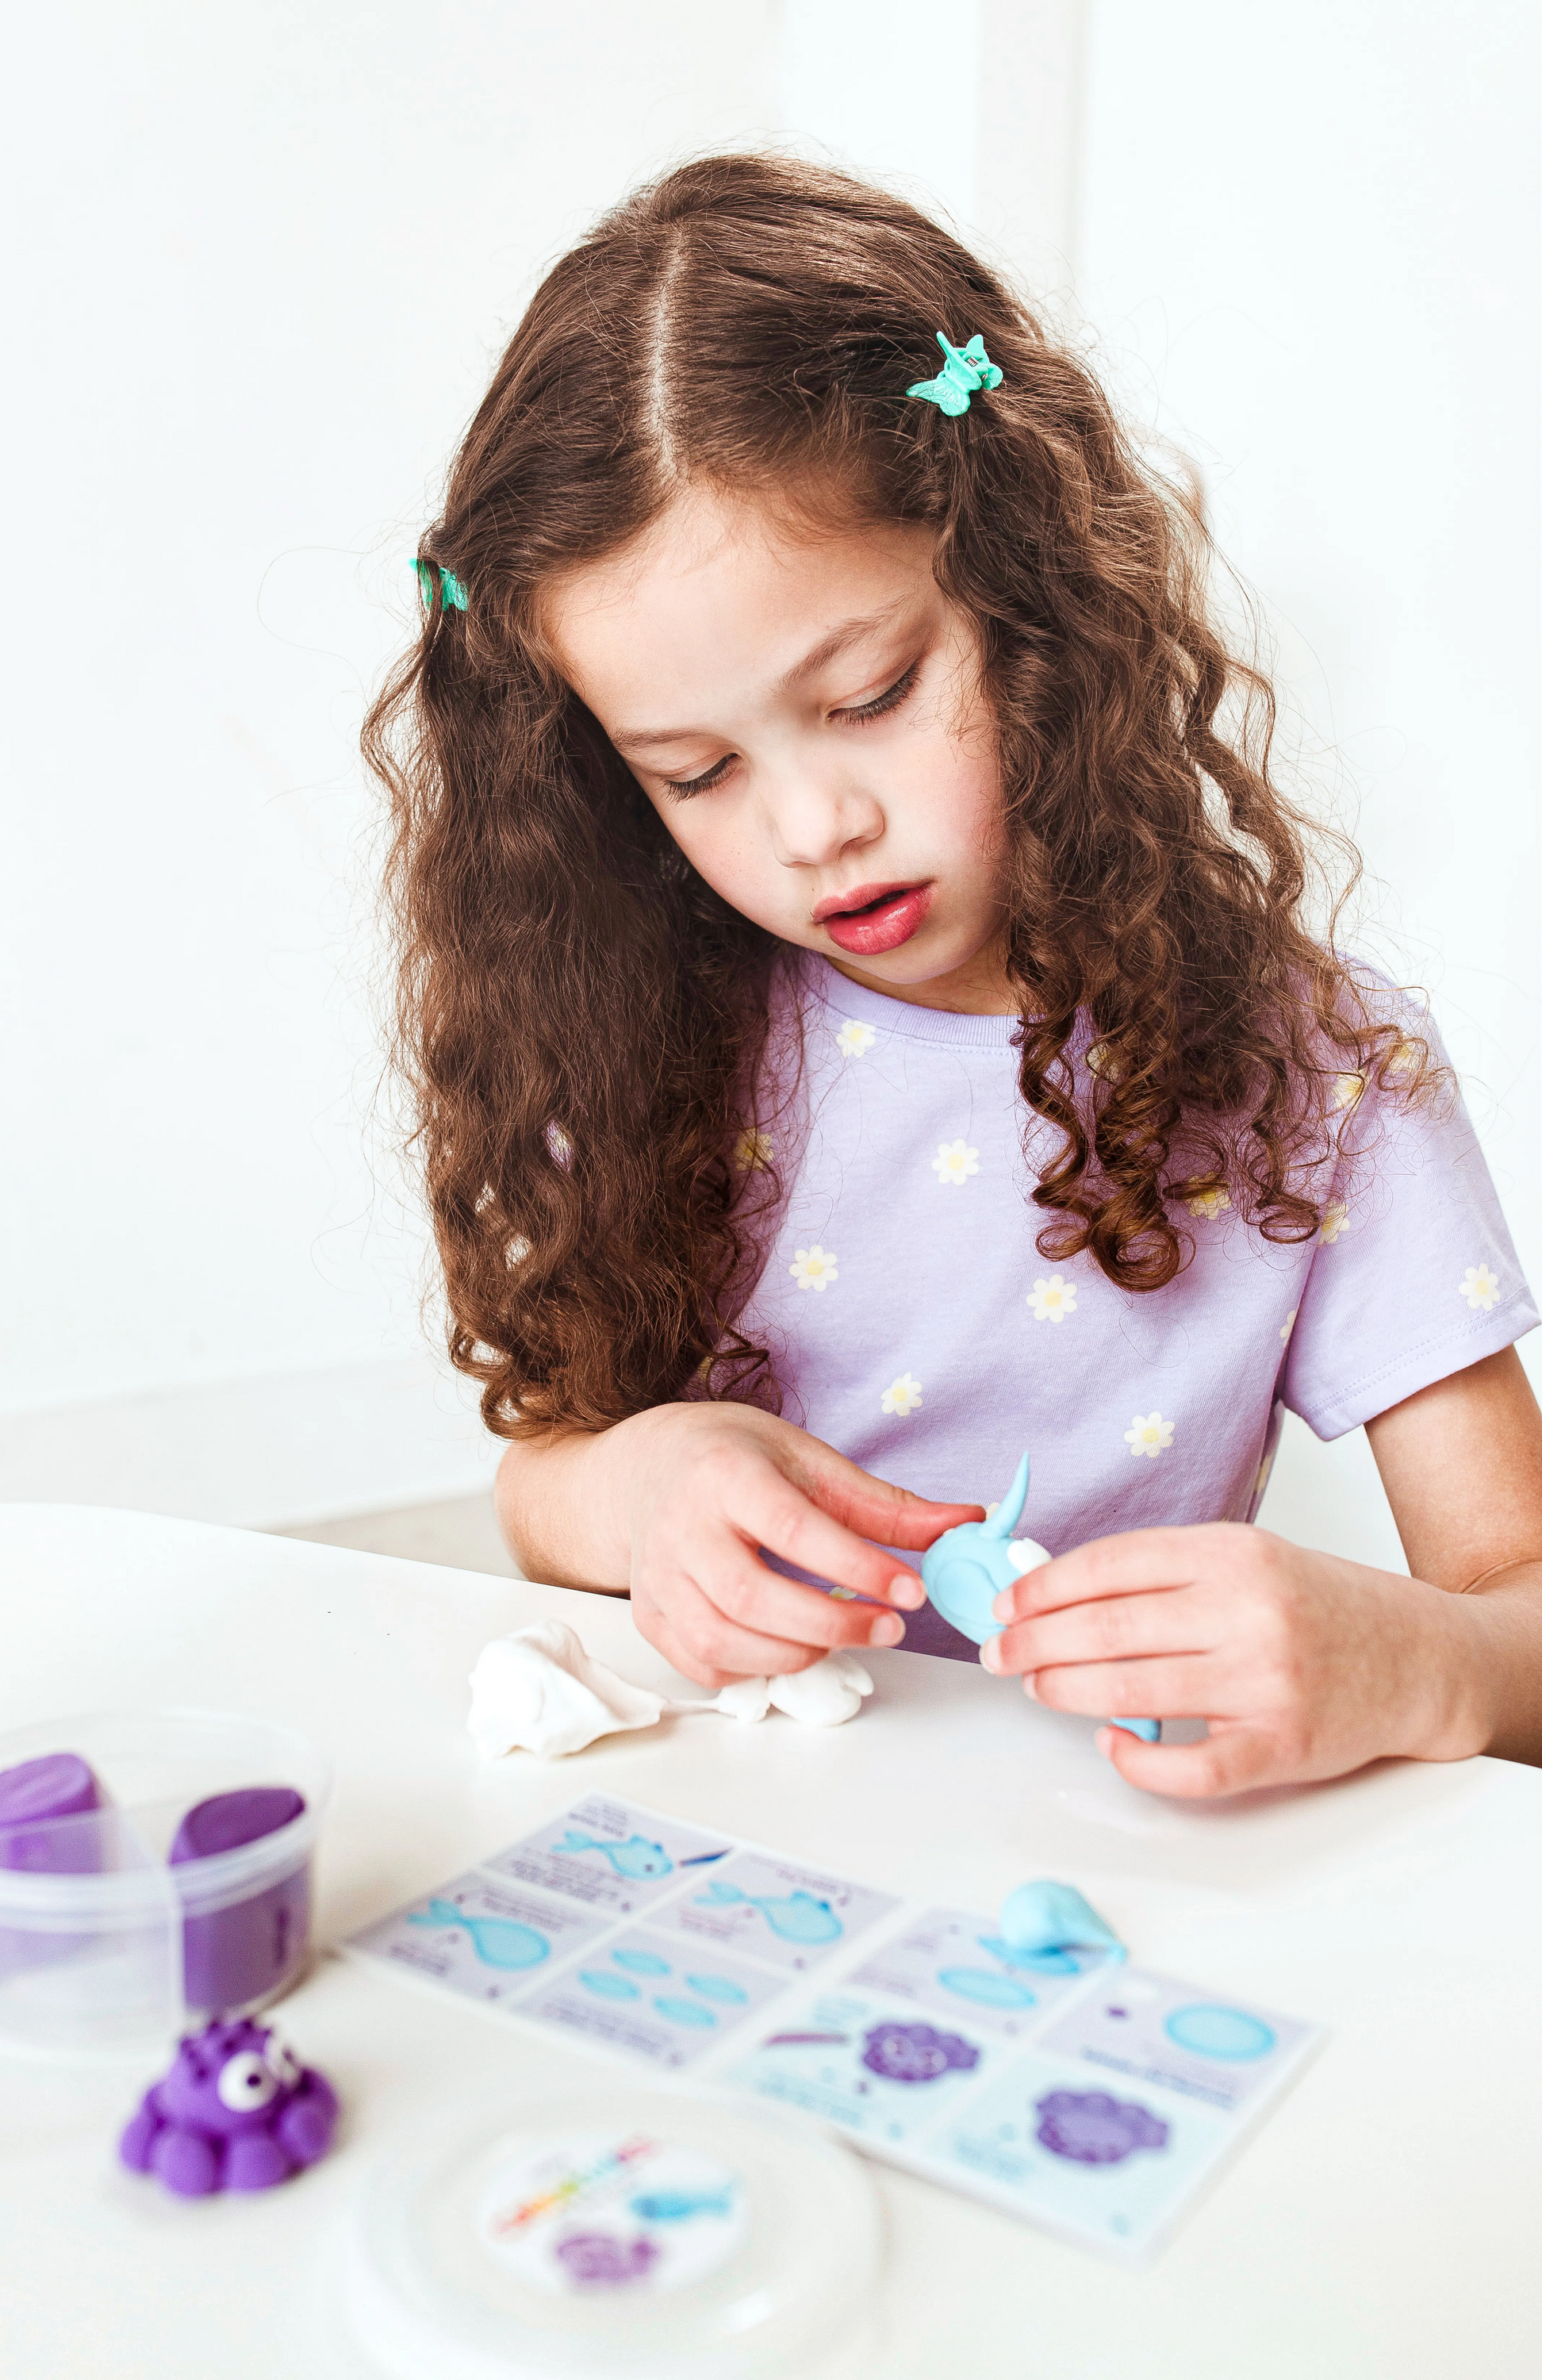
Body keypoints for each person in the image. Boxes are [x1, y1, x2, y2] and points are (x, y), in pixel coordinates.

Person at [365, 155, 1542, 1798]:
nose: (815, 825)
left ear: (1030, 595)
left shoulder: (1315, 1076)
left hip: (1110, 1859)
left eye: (870, 692)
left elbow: (1521, 1614)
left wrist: (1428, 1658)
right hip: (736, 1828)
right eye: (695, 773)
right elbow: (540, 1486)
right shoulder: (646, 1046)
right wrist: (640, 1489)